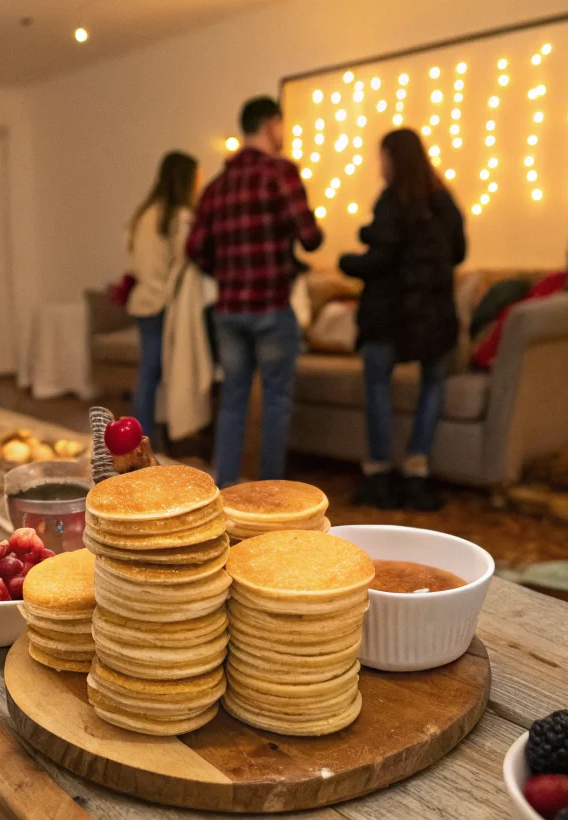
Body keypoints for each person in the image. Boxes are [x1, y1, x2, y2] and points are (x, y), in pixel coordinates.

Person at [188, 96, 322, 486]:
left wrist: (226, 273)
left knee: (232, 402)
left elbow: (195, 249)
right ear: (271, 124)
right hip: (269, 304)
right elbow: (310, 237)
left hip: (228, 309)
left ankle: (225, 491)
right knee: (276, 402)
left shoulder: (216, 187)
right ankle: (271, 495)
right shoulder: (281, 174)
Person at [339, 128, 466, 511]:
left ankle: (379, 472)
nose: (380, 165)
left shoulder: (390, 201)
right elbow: (458, 252)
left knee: (377, 384)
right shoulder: (443, 200)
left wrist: (346, 261)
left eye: (382, 156)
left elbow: (379, 257)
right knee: (433, 385)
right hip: (433, 316)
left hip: (388, 314)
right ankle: (416, 468)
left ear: (393, 157)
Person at [125, 151, 200, 442]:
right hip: (160, 303)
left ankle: (144, 435)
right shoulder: (178, 216)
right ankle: (143, 440)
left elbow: (134, 261)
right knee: (156, 373)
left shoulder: (145, 214)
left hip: (142, 299)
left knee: (149, 373)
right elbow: (183, 261)